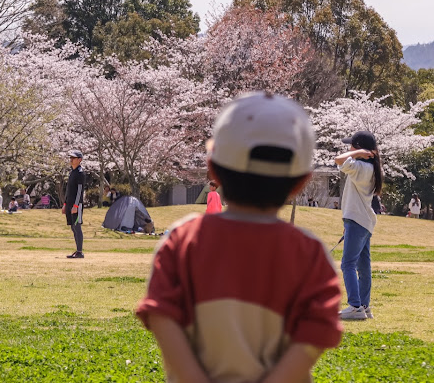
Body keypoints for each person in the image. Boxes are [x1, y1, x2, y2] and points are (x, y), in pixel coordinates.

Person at [137, 92, 342, 383]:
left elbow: (162, 316)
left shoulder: (183, 241)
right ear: (302, 182)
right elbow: (316, 332)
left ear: (212, 169)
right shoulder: (310, 254)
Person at [335, 130, 383, 321]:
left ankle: (355, 307)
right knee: (363, 266)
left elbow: (338, 159)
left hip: (356, 220)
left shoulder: (362, 167)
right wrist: (360, 153)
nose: (349, 148)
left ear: (360, 148)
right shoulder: (369, 168)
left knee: (348, 264)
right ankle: (364, 305)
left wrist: (356, 153)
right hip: (362, 221)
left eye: (352, 145)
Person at [62, 150, 86, 259]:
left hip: (77, 205)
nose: (71, 160)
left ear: (79, 160)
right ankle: (77, 250)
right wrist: (65, 204)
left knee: (77, 227)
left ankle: (80, 251)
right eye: (70, 158)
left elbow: (80, 190)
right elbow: (69, 190)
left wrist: (76, 205)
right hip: (70, 204)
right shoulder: (72, 172)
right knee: (73, 227)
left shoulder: (80, 173)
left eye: (74, 158)